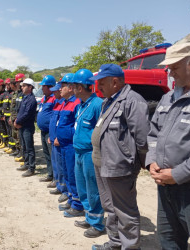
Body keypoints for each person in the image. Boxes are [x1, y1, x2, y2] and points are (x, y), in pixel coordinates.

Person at [90, 64, 149, 250]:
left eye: (101, 82)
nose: (98, 87)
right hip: (103, 164)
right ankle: (115, 243)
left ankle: (130, 247)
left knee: (125, 212)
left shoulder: (132, 100)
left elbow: (143, 138)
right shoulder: (109, 100)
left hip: (120, 166)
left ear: (114, 82)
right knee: (110, 208)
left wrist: (138, 164)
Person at [146, 42, 190, 249]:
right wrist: (152, 161)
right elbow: (153, 133)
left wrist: (177, 174)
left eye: (174, 67)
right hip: (165, 187)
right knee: (168, 240)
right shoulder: (168, 97)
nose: (170, 73)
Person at [72, 69, 104, 238]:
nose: (72, 89)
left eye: (74, 86)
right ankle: (89, 216)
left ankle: (97, 224)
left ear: (81, 87)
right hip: (78, 152)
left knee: (93, 189)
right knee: (82, 188)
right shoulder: (81, 105)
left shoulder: (98, 104)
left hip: (89, 154)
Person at [56, 76, 84, 218]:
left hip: (71, 145)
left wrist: (67, 136)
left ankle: (78, 206)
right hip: (63, 145)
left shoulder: (77, 103)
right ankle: (71, 199)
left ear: (71, 88)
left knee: (73, 175)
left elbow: (77, 126)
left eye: (63, 86)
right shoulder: (65, 103)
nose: (60, 89)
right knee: (66, 173)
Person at [48, 74, 71, 197]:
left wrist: (58, 136)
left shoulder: (65, 103)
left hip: (61, 140)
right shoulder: (58, 103)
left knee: (63, 167)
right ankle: (58, 184)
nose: (55, 93)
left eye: (55, 91)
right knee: (56, 163)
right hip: (54, 138)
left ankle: (64, 189)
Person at [15, 78, 37, 177]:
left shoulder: (31, 99)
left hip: (27, 126)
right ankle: (26, 164)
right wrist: (17, 120)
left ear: (30, 87)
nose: (22, 87)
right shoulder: (25, 98)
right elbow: (20, 112)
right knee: (24, 146)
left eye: (24, 86)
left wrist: (18, 121)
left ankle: (31, 168)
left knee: (29, 148)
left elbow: (27, 114)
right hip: (22, 126)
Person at [37, 75, 56, 182]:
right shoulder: (44, 98)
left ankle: (55, 178)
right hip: (43, 131)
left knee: (53, 155)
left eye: (43, 86)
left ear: (49, 87)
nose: (41, 88)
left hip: (50, 131)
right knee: (46, 154)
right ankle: (50, 174)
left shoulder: (54, 98)